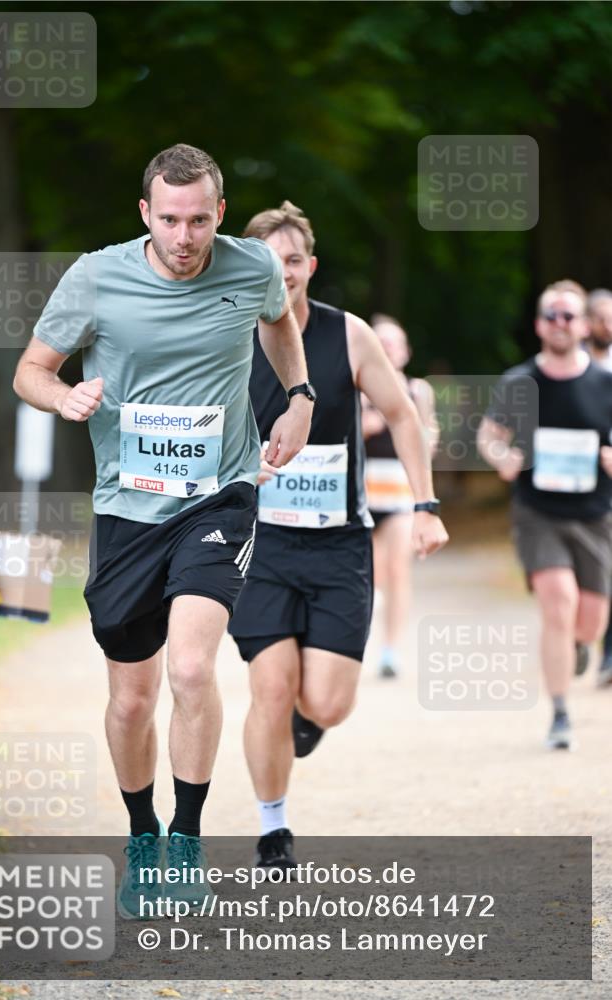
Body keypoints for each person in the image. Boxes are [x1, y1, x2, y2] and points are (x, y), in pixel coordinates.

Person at [13, 145, 313, 918]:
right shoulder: (96, 276)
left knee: (188, 670)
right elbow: (31, 370)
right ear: (146, 214)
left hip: (218, 496)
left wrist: (300, 394)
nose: (185, 236)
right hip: (125, 508)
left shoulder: (248, 267)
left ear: (219, 212)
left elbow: (279, 325)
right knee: (131, 697)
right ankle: (141, 832)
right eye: (170, 219)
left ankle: (186, 838)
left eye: (200, 219)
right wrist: (62, 399)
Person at [228, 202, 448, 870]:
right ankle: (273, 830)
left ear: (309, 267)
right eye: (267, 259)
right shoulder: (225, 334)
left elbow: (403, 418)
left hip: (337, 545)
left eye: (292, 260)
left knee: (325, 700)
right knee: (269, 687)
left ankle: (307, 717)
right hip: (257, 544)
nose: (282, 271)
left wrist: (424, 503)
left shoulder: (347, 335)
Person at [477, 280, 612, 751]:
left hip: (596, 514)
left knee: (591, 621)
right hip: (538, 511)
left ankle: (576, 647)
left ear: (584, 325)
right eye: (551, 315)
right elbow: (488, 436)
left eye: (569, 316)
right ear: (539, 325)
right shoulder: (520, 382)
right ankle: (560, 712)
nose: (560, 323)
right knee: (558, 602)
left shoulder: (605, 382)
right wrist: (502, 458)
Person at [362, 315, 438, 678]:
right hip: (361, 493)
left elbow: (428, 434)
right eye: (382, 341)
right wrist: (367, 424)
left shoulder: (419, 390)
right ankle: (358, 635)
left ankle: (391, 650)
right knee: (368, 573)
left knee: (397, 569)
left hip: (399, 494)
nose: (388, 348)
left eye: (394, 342)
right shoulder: (357, 385)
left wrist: (426, 438)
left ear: (405, 352)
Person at [586, 288, 612, 686]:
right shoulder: (564, 368)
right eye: (604, 317)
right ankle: (579, 637)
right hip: (563, 492)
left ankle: (608, 653)